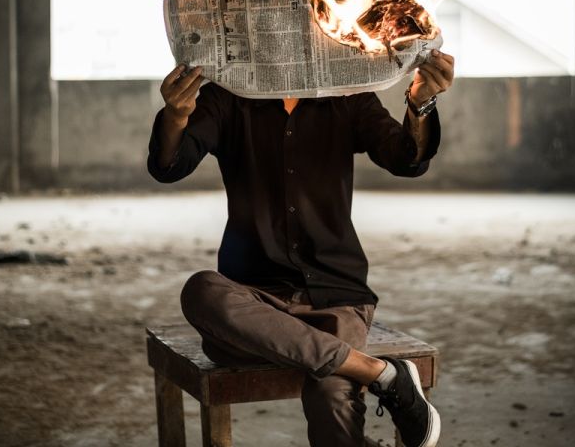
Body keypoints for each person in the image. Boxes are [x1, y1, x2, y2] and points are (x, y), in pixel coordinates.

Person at [147, 51, 455, 447]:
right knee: (201, 290)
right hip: (255, 303)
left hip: (336, 298)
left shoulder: (348, 95)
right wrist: (176, 114)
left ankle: (359, 372)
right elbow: (170, 166)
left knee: (333, 402)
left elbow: (406, 160)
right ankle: (382, 374)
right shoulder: (227, 97)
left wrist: (421, 102)